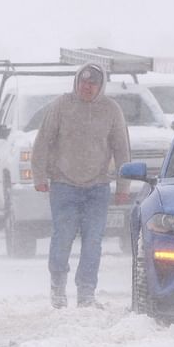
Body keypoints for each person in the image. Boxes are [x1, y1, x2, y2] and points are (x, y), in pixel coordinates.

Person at [31, 63, 131, 308]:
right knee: (62, 237)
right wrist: (39, 177)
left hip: (97, 187)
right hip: (64, 185)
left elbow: (121, 149)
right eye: (83, 82)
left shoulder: (111, 110)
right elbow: (43, 141)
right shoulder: (61, 106)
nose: (87, 87)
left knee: (93, 240)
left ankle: (86, 292)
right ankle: (58, 288)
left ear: (101, 86)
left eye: (93, 83)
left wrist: (123, 186)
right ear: (76, 82)